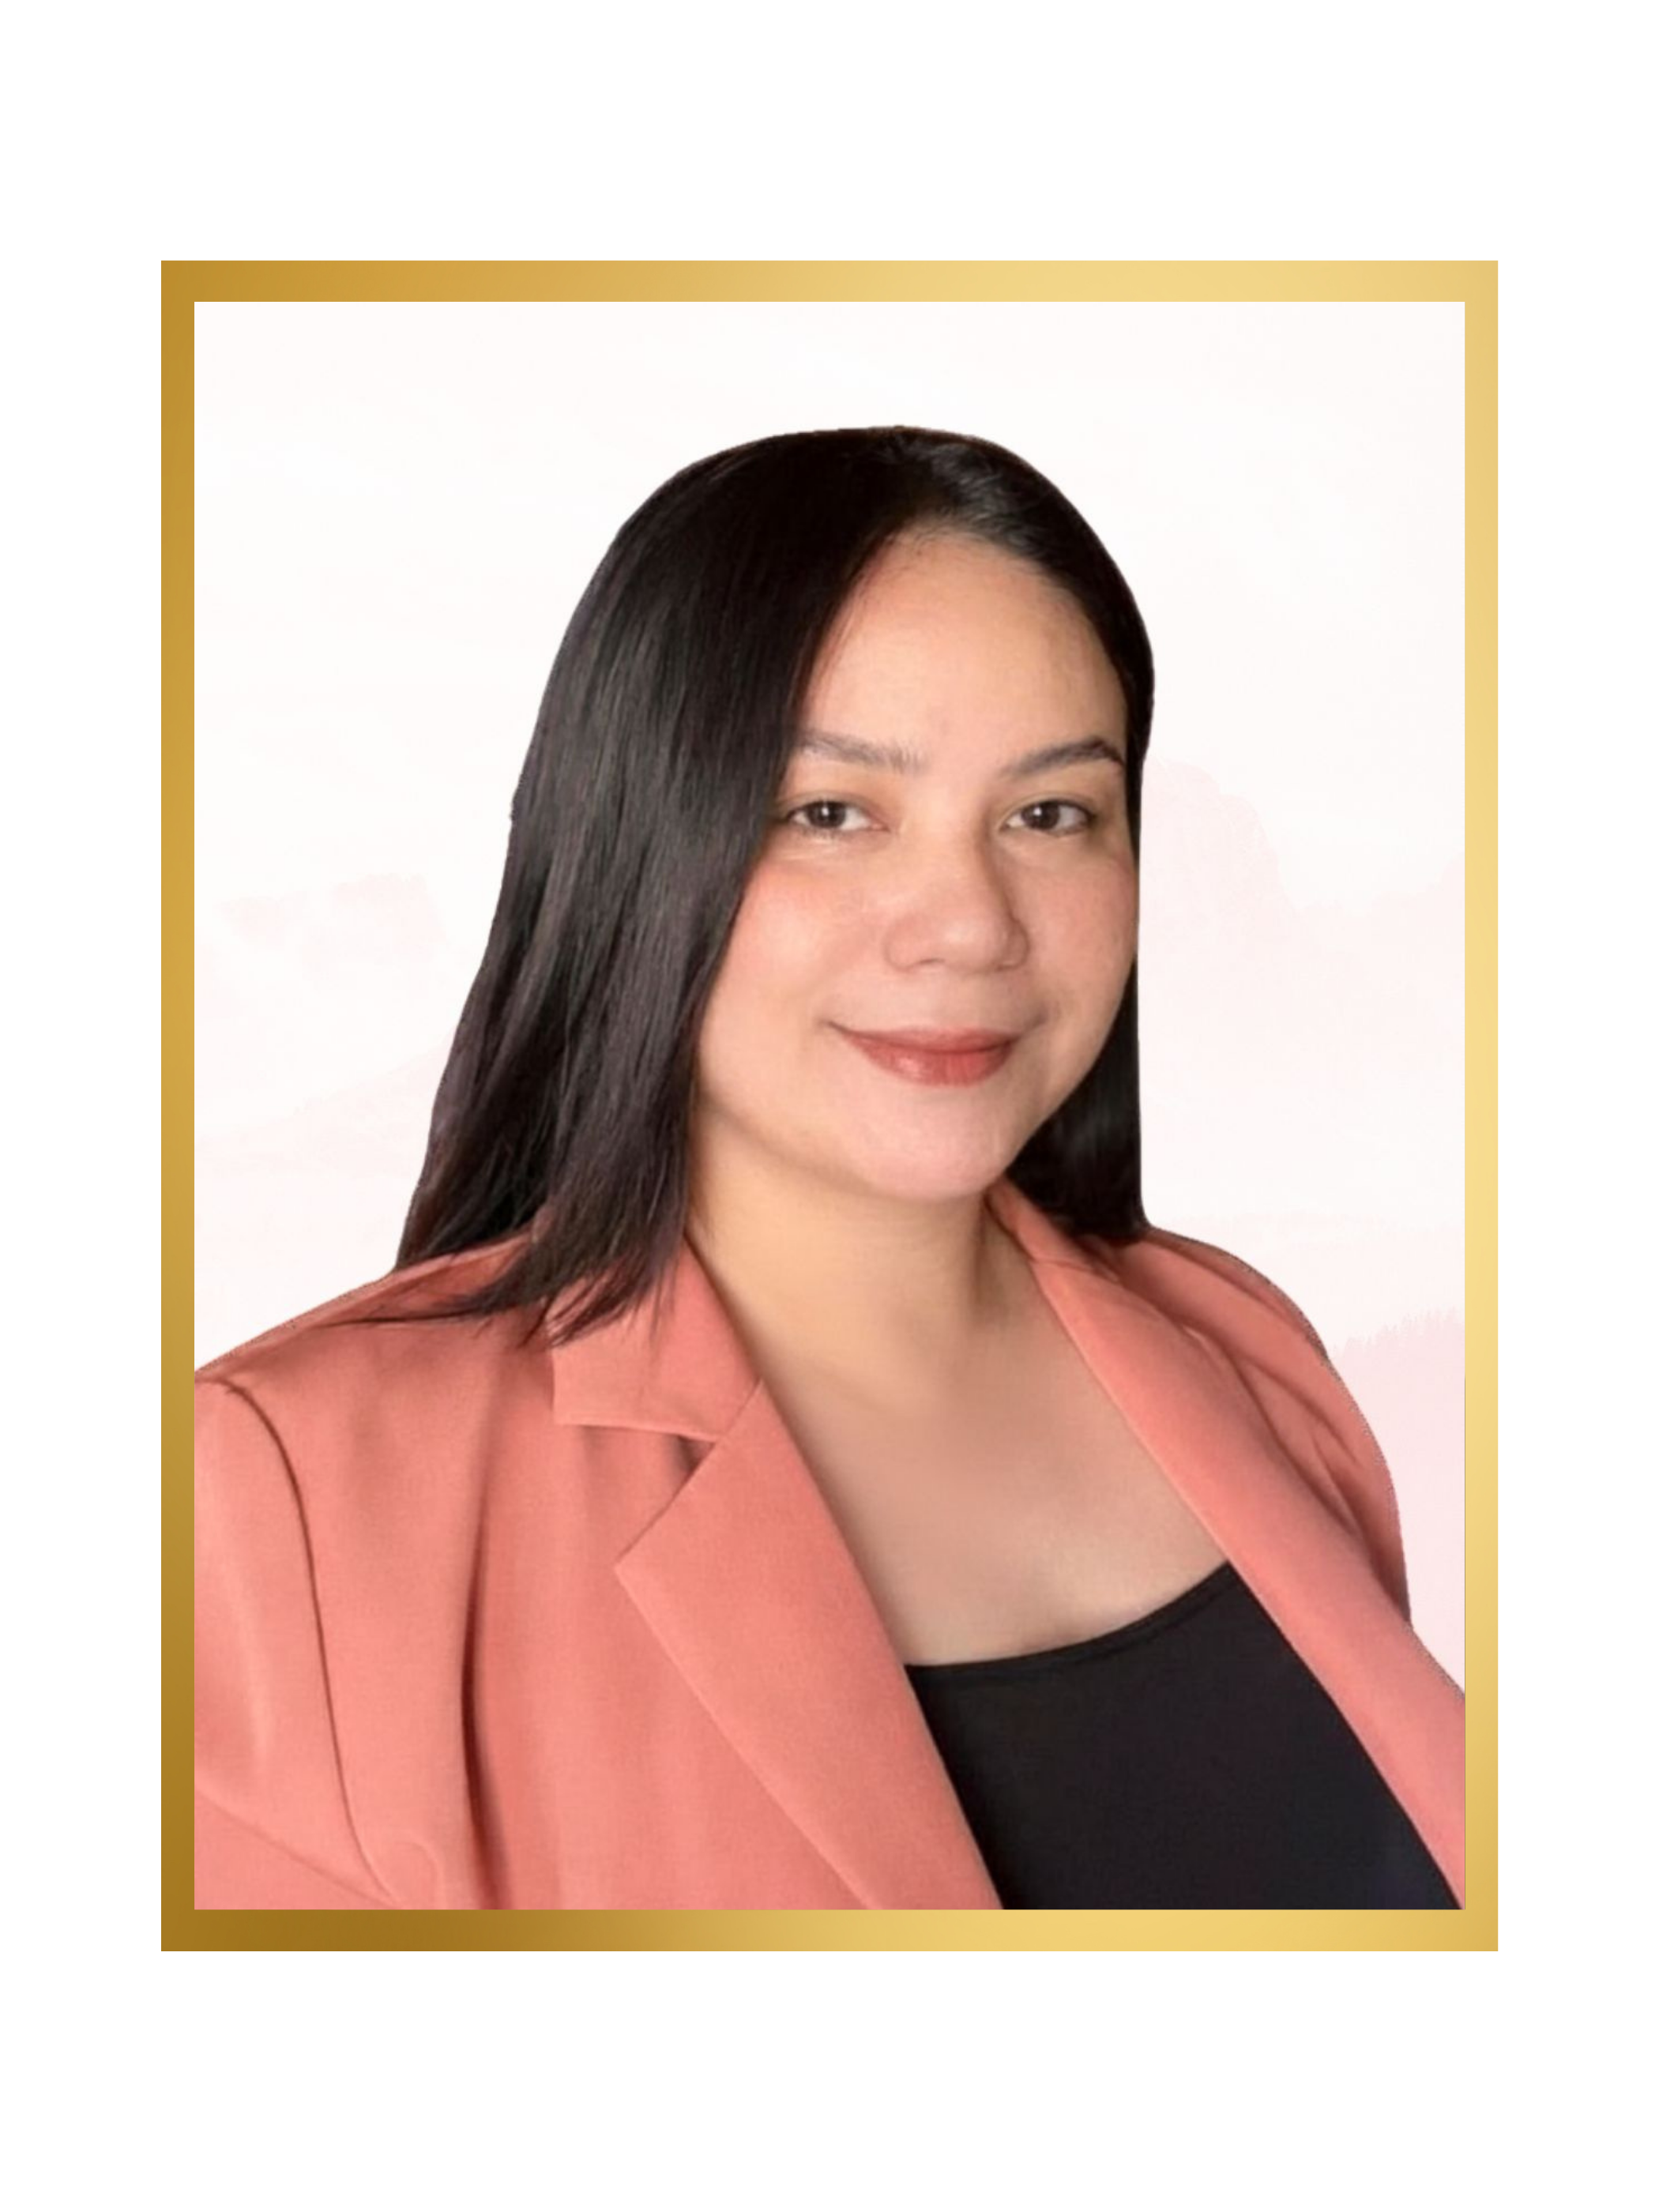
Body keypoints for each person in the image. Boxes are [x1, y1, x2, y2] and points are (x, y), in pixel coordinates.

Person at [194, 425, 1465, 1911]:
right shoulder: (278, 1507)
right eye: (833, 813)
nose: (968, 922)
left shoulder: (1247, 1354)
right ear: (640, 845)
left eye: (1050, 813)